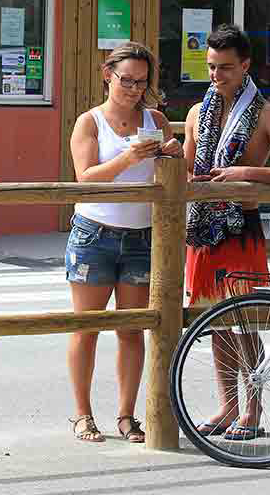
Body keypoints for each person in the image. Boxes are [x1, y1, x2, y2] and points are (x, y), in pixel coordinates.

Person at [183, 24, 270, 441]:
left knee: (246, 322)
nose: (216, 75)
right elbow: (185, 170)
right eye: (212, 67)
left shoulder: (269, 114)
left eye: (226, 68)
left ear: (246, 65)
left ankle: (253, 409)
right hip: (202, 227)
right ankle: (228, 405)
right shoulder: (198, 113)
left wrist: (242, 172)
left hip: (242, 225)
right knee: (215, 323)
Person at [66, 42, 182, 444]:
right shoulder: (90, 122)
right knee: (87, 328)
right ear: (107, 75)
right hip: (94, 232)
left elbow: (174, 168)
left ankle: (126, 415)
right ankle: (82, 415)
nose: (133, 89)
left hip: (141, 235)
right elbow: (85, 177)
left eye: (141, 82)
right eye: (126, 80)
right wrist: (128, 160)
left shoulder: (155, 119)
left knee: (132, 330)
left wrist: (173, 153)